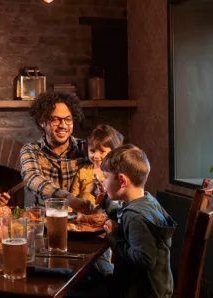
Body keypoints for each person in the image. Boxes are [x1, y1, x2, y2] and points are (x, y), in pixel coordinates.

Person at [97, 144, 177, 298]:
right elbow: (123, 217)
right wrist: (106, 202)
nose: (104, 183)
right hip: (158, 288)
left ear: (122, 181)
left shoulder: (135, 217)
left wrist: (114, 237)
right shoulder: (147, 201)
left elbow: (144, 260)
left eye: (106, 178)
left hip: (144, 293)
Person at [19, 91, 90, 209]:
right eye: (55, 119)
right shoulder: (31, 150)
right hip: (47, 220)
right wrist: (68, 198)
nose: (63, 125)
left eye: (68, 119)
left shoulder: (86, 148)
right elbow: (32, 178)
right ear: (42, 122)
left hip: (82, 222)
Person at [70, 124, 124, 205]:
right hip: (84, 215)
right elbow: (73, 198)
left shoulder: (117, 174)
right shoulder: (82, 171)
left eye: (102, 151)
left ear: (113, 151)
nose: (96, 156)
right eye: (92, 151)